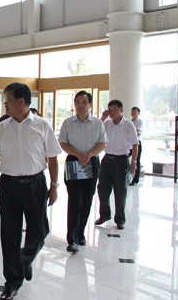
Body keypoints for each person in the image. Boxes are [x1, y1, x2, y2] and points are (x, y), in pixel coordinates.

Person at [0, 82, 62, 300]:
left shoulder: (42, 125)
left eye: (8, 100)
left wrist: (54, 186)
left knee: (40, 231)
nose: (5, 104)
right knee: (9, 236)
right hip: (8, 186)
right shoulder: (2, 127)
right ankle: (12, 282)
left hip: (35, 185)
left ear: (21, 101)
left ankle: (25, 259)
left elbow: (53, 158)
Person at [58, 91, 107, 253]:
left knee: (87, 200)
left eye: (84, 102)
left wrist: (87, 155)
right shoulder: (68, 122)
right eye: (77, 102)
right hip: (74, 162)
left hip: (91, 162)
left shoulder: (97, 123)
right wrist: (79, 155)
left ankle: (80, 233)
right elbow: (63, 143)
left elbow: (102, 143)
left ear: (90, 104)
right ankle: (71, 238)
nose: (80, 105)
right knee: (75, 200)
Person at [95, 100, 139, 230]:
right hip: (107, 159)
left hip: (121, 160)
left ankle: (120, 219)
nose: (112, 112)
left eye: (114, 109)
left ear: (121, 110)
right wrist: (103, 117)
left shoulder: (128, 125)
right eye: (110, 110)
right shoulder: (106, 124)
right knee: (102, 189)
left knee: (120, 192)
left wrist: (134, 162)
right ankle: (104, 215)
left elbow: (135, 145)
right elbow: (95, 131)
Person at [129, 106, 144, 186]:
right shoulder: (129, 121)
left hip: (137, 143)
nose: (133, 113)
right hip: (129, 144)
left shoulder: (140, 122)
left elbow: (137, 133)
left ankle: (135, 180)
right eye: (132, 111)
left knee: (136, 161)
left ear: (138, 113)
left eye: (135, 111)